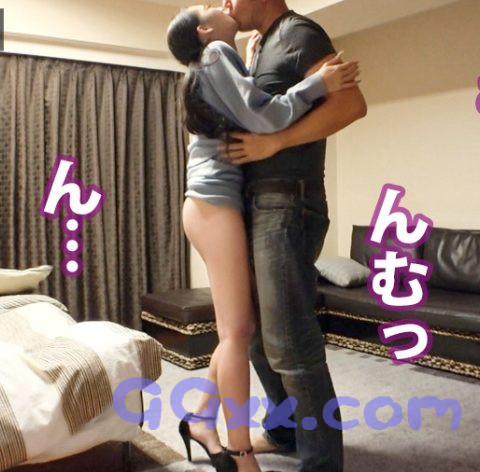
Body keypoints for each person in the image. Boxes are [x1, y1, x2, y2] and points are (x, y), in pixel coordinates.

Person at [167, 4, 359, 472]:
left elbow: (351, 104)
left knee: (285, 342)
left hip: (284, 200)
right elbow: (251, 107)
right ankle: (278, 430)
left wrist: (276, 142)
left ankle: (316, 461)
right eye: (217, 5)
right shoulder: (244, 49)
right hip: (243, 203)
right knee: (249, 336)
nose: (227, 3)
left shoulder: (297, 33)